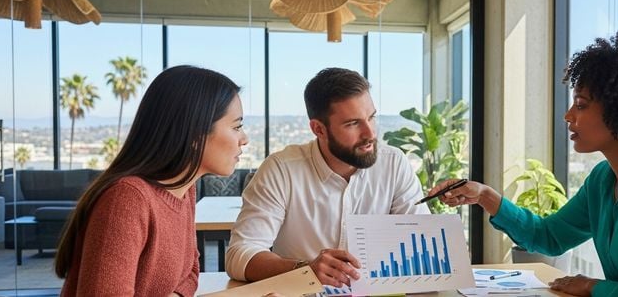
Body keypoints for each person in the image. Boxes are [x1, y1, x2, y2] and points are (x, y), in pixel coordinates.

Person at [431, 33, 618, 296]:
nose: (568, 115)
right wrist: (485, 196)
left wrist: (590, 286)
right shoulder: (603, 179)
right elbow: (548, 237)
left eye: (582, 105)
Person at [225, 67, 430, 286]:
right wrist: (305, 270)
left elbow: (424, 239)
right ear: (319, 129)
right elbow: (240, 255)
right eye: (353, 123)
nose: (370, 134)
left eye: (371, 118)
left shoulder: (393, 163)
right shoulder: (282, 169)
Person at [55, 66, 249, 296]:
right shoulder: (127, 199)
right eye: (237, 127)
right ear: (196, 134)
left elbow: (191, 273)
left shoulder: (183, 191)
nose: (244, 139)